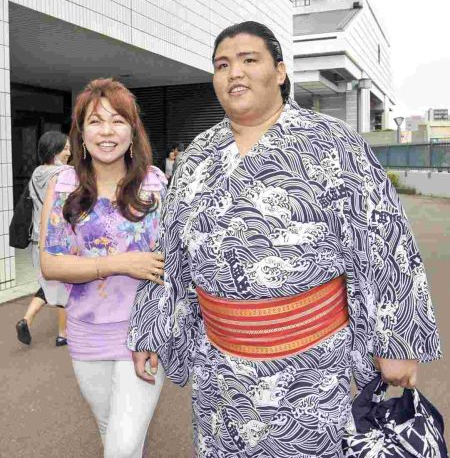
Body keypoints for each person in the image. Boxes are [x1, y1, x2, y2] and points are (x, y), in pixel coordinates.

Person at [128, 22, 442, 457]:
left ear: (279, 72)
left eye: (248, 60)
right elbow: (169, 251)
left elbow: (387, 242)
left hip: (309, 368)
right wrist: (150, 330)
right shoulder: (198, 154)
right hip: (220, 370)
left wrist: (398, 343)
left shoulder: (333, 142)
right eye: (222, 65)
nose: (234, 73)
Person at [39, 78, 166, 458]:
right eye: (95, 122)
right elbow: (50, 263)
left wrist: (158, 329)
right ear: (80, 133)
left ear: (132, 131)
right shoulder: (64, 185)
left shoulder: (154, 183)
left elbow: (169, 264)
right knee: (112, 429)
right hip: (87, 330)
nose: (107, 132)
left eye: (117, 121)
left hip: (142, 331)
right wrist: (118, 263)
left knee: (121, 446)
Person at [16, 131, 71, 346]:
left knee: (49, 283)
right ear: (54, 150)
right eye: (65, 148)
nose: (69, 152)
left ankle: (26, 319)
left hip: (37, 241)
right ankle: (63, 334)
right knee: (65, 285)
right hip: (58, 240)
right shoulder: (66, 174)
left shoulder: (36, 173)